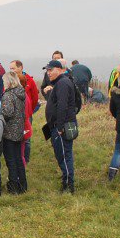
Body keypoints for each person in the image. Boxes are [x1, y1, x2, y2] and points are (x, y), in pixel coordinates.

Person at [43, 59, 79, 193]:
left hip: (62, 128)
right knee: (61, 155)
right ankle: (66, 180)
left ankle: (69, 186)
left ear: (60, 69)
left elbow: (62, 106)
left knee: (64, 155)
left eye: (51, 70)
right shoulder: (58, 83)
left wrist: (59, 127)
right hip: (57, 126)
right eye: (47, 70)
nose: (48, 73)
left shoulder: (63, 83)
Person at [0, 73, 27, 193]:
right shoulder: (20, 93)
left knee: (11, 160)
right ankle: (22, 185)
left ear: (8, 82)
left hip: (9, 131)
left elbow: (8, 113)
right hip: (19, 130)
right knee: (18, 159)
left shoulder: (8, 95)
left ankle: (13, 187)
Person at [10, 60, 39, 163]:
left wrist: (30, 110)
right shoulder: (10, 80)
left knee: (26, 137)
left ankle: (25, 159)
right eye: (10, 68)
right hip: (14, 115)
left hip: (26, 114)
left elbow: (35, 96)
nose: (11, 70)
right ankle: (16, 157)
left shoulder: (29, 80)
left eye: (13, 68)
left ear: (20, 68)